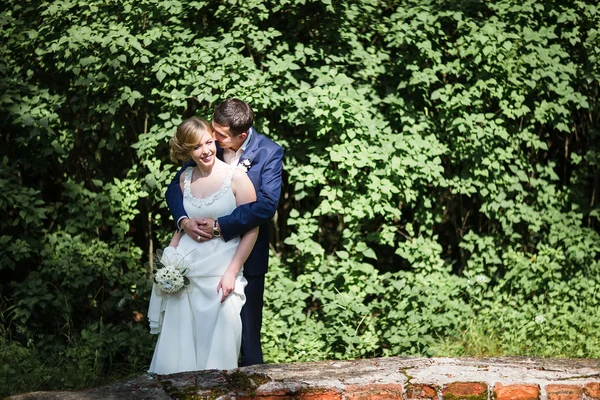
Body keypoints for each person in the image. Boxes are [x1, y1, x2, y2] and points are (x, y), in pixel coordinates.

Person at [166, 99, 284, 366]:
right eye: (213, 130)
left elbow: (265, 207)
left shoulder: (269, 153)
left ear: (241, 136)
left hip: (246, 258)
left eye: (220, 135)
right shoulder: (208, 145)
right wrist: (183, 221)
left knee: (248, 339)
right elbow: (175, 189)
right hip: (201, 260)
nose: (213, 138)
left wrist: (221, 226)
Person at [147, 117, 258, 374]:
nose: (206, 150)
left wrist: (232, 272)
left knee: (219, 351)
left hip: (220, 276)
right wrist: (169, 265)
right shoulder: (184, 179)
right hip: (185, 277)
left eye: (209, 142)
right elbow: (181, 228)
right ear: (187, 150)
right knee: (178, 351)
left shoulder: (237, 178)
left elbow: (252, 229)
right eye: (197, 147)